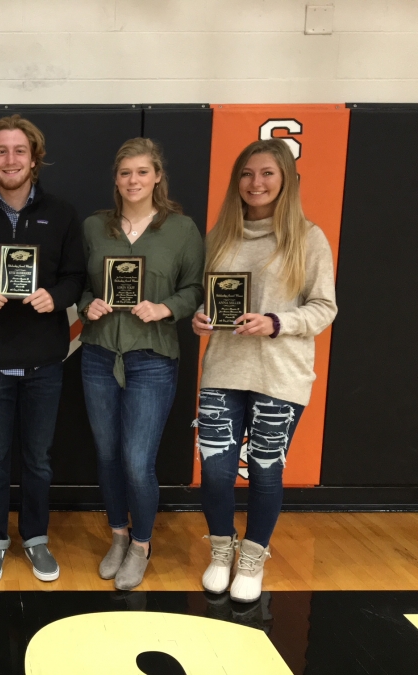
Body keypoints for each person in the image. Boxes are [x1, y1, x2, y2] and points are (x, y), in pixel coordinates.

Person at [193, 138, 337, 602]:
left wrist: (277, 322)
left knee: (264, 471)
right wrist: (201, 316)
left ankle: (252, 557)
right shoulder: (220, 235)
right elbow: (210, 298)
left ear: (286, 181)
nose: (256, 183)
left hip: (280, 374)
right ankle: (220, 550)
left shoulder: (308, 237)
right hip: (222, 368)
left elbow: (324, 308)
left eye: (267, 174)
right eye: (248, 174)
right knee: (215, 471)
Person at [0, 114, 85, 585]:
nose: (11, 159)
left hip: (45, 358)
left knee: (38, 459)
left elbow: (75, 276)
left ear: (34, 158)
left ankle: (35, 538)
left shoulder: (63, 214)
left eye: (19, 151)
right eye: (1, 151)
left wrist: (59, 297)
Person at [78, 138, 204, 590]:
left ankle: (141, 544)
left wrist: (165, 308)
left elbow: (194, 288)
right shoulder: (95, 227)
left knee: (136, 460)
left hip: (152, 357)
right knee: (108, 455)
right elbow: (78, 284)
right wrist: (86, 304)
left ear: (157, 177)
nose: (134, 180)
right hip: (98, 355)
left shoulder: (182, 229)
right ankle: (117, 534)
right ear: (116, 178)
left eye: (142, 172)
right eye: (125, 172)